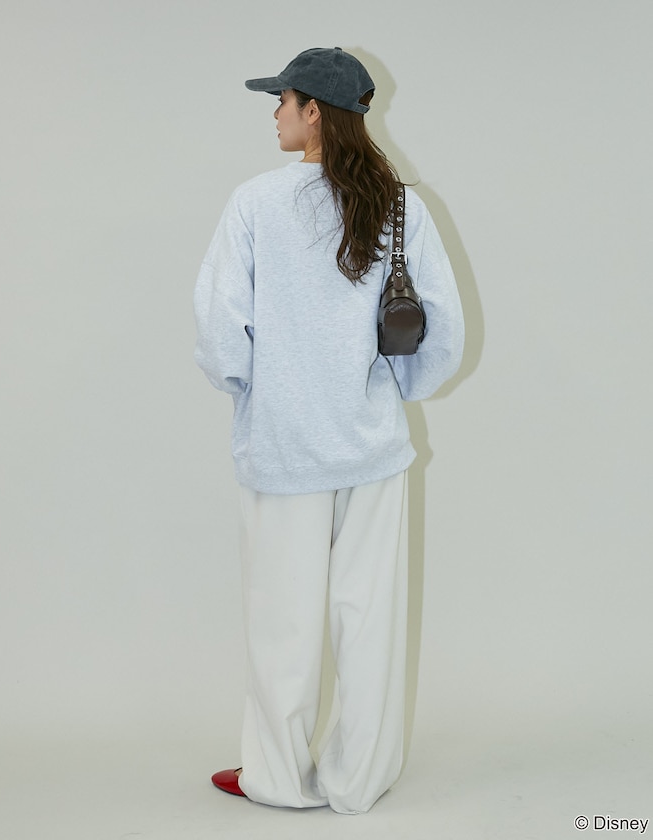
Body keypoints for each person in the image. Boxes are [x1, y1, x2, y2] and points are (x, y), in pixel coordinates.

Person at [194, 47, 464, 815]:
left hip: (283, 450)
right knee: (369, 617)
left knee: (281, 622)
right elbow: (439, 329)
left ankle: (279, 778)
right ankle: (358, 779)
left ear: (314, 111)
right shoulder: (398, 205)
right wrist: (389, 393)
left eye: (281, 101)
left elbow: (219, 329)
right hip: (372, 446)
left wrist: (255, 395)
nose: (275, 115)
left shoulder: (255, 202)